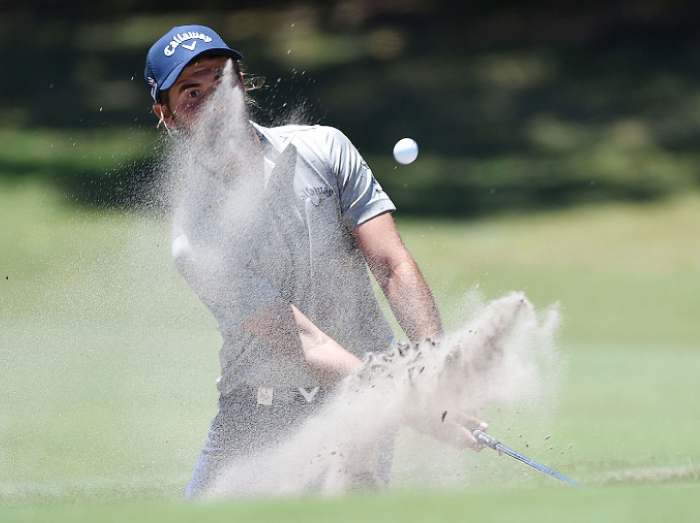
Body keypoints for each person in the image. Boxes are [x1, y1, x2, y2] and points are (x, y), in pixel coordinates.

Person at [144, 24, 486, 499]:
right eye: (191, 93)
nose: (214, 99)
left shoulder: (323, 148)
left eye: (219, 81)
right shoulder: (196, 237)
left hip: (358, 409)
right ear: (167, 115)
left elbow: (390, 263)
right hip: (256, 419)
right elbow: (306, 342)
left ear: (240, 84)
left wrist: (436, 374)